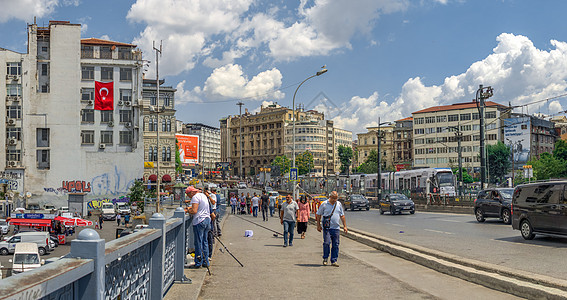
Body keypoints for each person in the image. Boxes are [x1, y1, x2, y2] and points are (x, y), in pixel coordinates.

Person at [316, 191, 347, 267]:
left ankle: (334, 260)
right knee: (327, 243)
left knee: (336, 244)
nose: (334, 200)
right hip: (327, 228)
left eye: (336, 198)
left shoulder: (338, 204)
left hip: (336, 228)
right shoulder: (324, 204)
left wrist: (345, 226)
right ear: (330, 197)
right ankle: (325, 258)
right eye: (333, 198)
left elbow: (342, 216)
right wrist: (318, 225)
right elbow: (318, 215)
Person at [185, 186, 211, 269]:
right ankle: (205, 261)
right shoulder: (203, 195)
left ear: (191, 192)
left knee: (198, 242)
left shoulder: (195, 197)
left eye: (188, 194)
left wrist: (187, 210)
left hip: (199, 221)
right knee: (205, 242)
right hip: (207, 219)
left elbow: (194, 211)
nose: (188, 196)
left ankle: (198, 262)